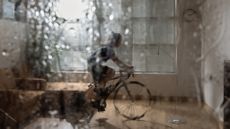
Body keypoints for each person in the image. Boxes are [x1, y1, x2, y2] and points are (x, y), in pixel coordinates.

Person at [86, 32, 133, 111]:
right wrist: (128, 67)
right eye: (119, 41)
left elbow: (118, 62)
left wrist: (127, 67)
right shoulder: (109, 49)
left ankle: (99, 98)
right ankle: (99, 93)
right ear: (116, 41)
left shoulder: (108, 48)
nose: (120, 43)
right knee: (111, 72)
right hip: (94, 66)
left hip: (93, 65)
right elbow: (118, 62)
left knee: (104, 79)